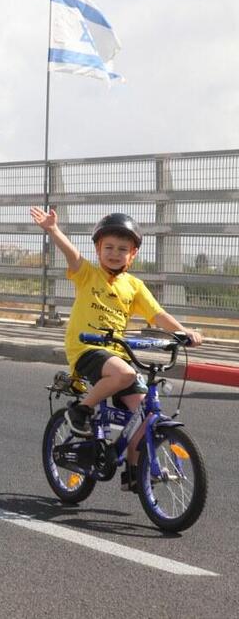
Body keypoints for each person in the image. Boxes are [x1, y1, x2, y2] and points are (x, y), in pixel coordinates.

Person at [30, 207, 203, 490]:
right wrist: (53, 230)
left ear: (132, 255)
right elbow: (72, 255)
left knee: (145, 416)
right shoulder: (88, 275)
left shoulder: (134, 286)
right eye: (108, 247)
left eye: (123, 248)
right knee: (123, 375)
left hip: (118, 354)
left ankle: (133, 474)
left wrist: (183, 333)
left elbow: (157, 315)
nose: (114, 253)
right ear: (98, 249)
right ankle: (81, 411)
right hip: (87, 349)